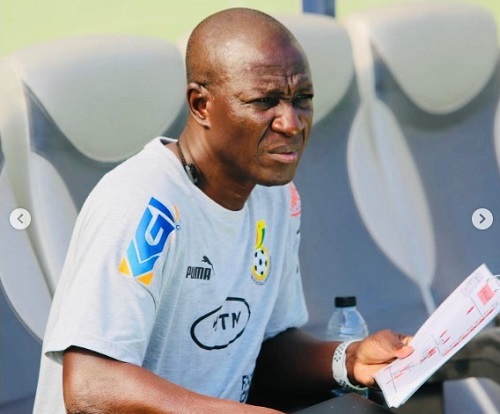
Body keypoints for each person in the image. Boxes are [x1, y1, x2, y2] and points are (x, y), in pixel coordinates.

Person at [34, 7, 413, 413]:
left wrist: (348, 362)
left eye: (302, 99)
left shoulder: (277, 198)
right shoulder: (144, 204)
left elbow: (265, 351)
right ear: (201, 104)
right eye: (264, 101)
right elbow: (92, 386)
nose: (291, 123)